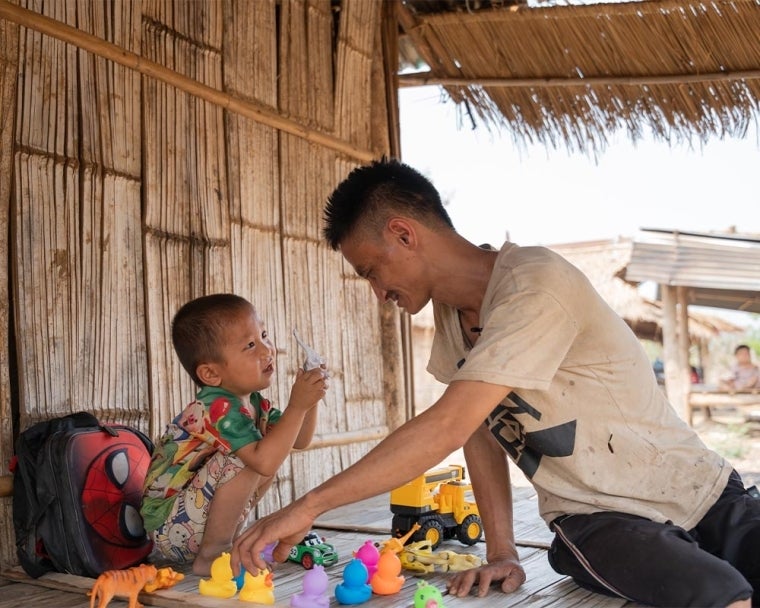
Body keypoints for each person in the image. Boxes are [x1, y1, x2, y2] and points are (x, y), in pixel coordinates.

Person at [231, 160, 760, 607]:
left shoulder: (536, 283)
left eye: (371, 270)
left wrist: (308, 506)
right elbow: (478, 429)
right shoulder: (449, 318)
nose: (377, 292)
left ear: (403, 233)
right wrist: (502, 550)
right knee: (720, 592)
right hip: (601, 518)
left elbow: (445, 425)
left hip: (704, 490)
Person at [141, 293, 328, 576]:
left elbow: (298, 440)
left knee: (270, 447)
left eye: (264, 335)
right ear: (211, 374)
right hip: (168, 526)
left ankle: (223, 543)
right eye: (250, 345)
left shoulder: (253, 403)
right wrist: (297, 404)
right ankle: (212, 555)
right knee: (253, 456)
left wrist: (308, 403)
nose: (267, 350)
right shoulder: (217, 408)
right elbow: (262, 461)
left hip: (192, 521)